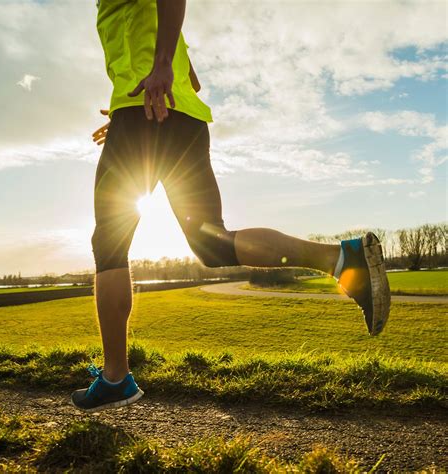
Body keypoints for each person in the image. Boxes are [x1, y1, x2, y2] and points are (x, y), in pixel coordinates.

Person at [71, 0, 391, 412]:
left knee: (109, 243)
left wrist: (155, 75)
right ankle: (342, 258)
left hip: (144, 110)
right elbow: (193, 81)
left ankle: (115, 377)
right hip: (177, 115)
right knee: (213, 243)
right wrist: (156, 78)